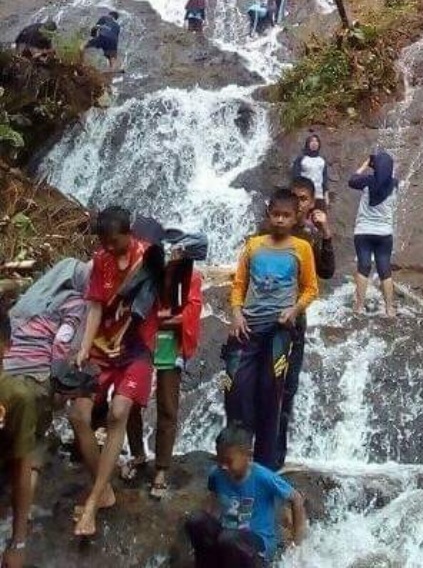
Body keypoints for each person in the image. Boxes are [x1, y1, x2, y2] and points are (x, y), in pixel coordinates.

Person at [68, 206, 161, 539]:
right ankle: (103, 487)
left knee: (119, 412)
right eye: (104, 242)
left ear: (128, 234)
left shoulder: (151, 258)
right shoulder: (101, 259)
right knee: (78, 415)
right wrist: (83, 346)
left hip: (137, 348)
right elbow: (94, 305)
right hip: (102, 346)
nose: (109, 247)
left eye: (114, 241)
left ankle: (93, 502)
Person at [225, 190, 318, 470]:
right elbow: (239, 284)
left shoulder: (301, 248)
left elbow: (311, 287)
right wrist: (236, 314)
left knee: (272, 391)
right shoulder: (253, 245)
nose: (280, 220)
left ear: (295, 218)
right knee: (237, 388)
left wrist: (294, 311)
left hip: (280, 329)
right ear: (268, 214)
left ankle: (266, 464)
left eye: (286, 215)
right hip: (249, 326)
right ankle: (236, 453)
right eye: (276, 214)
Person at [124, 246, 203, 500]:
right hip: (143, 341)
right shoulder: (147, 272)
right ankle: (137, 454)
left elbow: (193, 309)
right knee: (130, 400)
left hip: (171, 343)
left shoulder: (191, 276)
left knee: (168, 406)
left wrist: (169, 319)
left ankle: (161, 468)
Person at [185, 423, 306, 568]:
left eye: (229, 461)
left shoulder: (263, 477)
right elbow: (211, 502)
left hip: (257, 545)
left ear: (248, 456)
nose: (223, 466)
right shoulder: (216, 475)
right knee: (196, 520)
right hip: (227, 538)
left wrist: (296, 545)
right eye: (219, 460)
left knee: (229, 538)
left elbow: (296, 498)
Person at [276, 177, 336, 466]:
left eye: (304, 199)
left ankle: (276, 456)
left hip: (295, 321)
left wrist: (326, 234)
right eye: (295, 198)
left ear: (312, 203)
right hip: (265, 318)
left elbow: (326, 273)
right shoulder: (272, 232)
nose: (299, 204)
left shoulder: (309, 238)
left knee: (288, 388)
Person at [0, 311, 39, 568]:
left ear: (6, 347)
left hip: (6, 471)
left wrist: (19, 542)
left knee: (29, 471)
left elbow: (21, 466)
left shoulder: (17, 396)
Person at [348, 151, 398, 318]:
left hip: (363, 232)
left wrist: (365, 165)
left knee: (363, 267)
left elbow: (352, 180)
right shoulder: (395, 184)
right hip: (384, 234)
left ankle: (359, 306)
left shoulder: (367, 182)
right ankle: (390, 309)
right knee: (385, 269)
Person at [291, 133, 330, 206]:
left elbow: (324, 180)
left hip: (319, 195)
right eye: (312, 141)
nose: (314, 143)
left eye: (316, 141)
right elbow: (296, 176)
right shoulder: (301, 159)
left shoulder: (322, 160)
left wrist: (326, 196)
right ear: (308, 143)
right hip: (304, 195)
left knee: (318, 216)